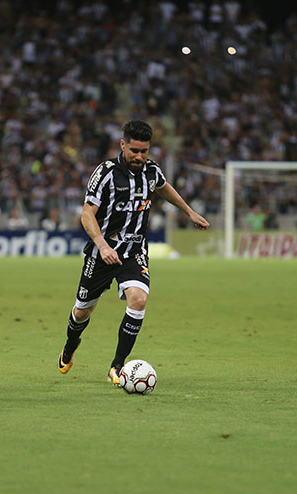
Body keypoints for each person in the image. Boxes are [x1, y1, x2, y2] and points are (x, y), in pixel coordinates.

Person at [57, 120, 209, 383]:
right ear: (122, 145)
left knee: (138, 300)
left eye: (144, 151)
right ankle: (70, 346)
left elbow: (164, 187)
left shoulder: (151, 171)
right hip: (102, 253)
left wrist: (189, 212)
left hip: (134, 251)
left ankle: (117, 366)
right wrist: (102, 245)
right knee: (82, 311)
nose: (139, 156)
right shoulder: (105, 173)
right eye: (134, 151)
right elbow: (87, 214)